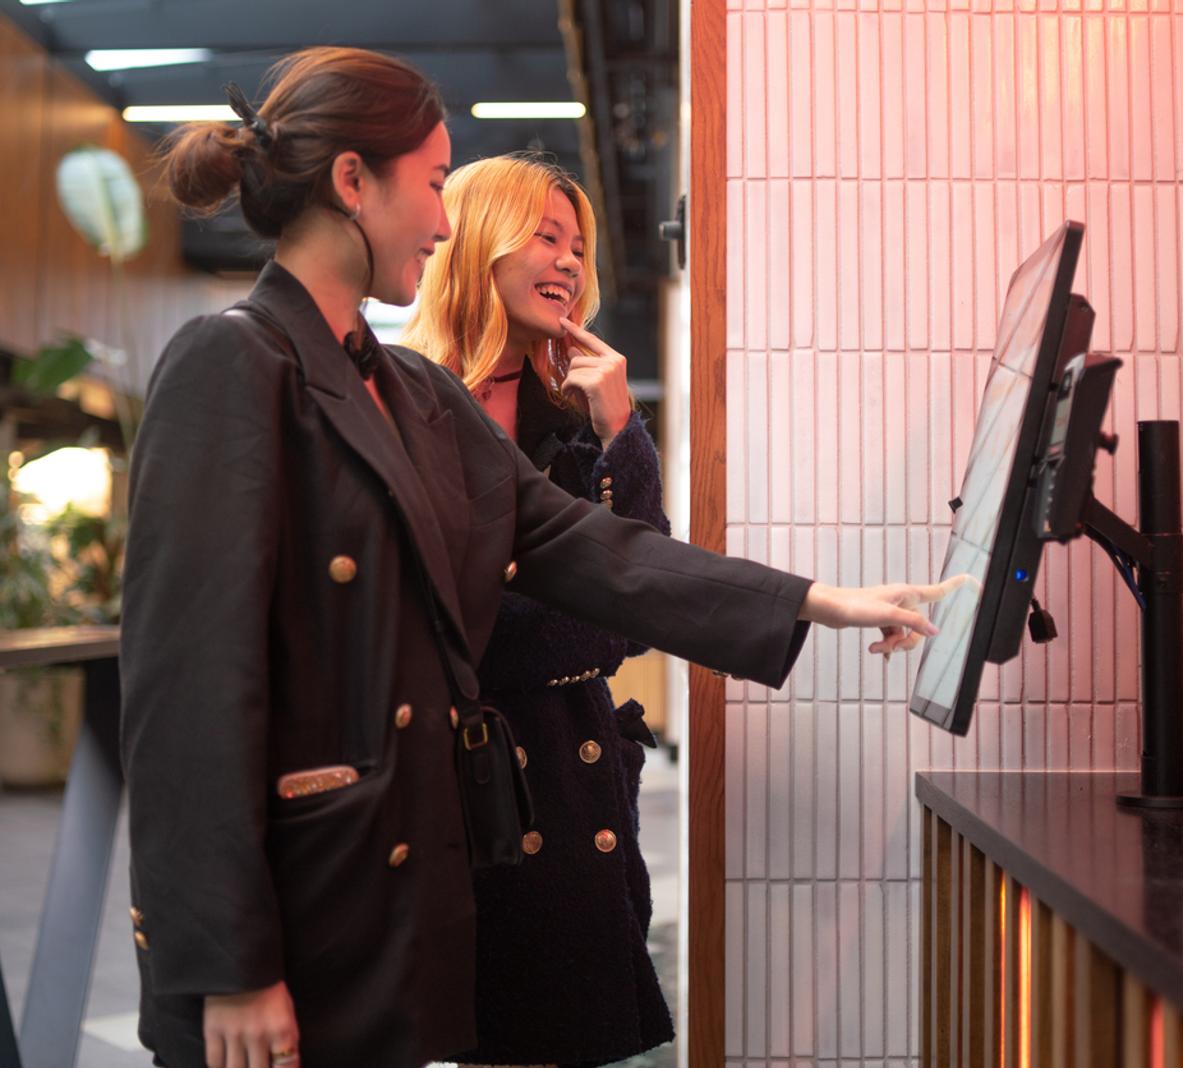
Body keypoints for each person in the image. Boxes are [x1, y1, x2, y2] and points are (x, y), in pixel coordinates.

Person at [121, 46, 941, 1068]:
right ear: (351, 184)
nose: (444, 218)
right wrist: (224, 962)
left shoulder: (417, 397)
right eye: (431, 183)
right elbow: (183, 697)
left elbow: (589, 548)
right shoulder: (233, 361)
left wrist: (822, 600)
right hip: (299, 906)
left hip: (399, 893)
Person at [400, 153, 673, 1065]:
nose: (568, 262)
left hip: (570, 782)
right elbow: (445, 630)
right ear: (475, 241)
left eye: (579, 244)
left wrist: (622, 431)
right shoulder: (399, 398)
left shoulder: (571, 409)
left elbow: (640, 600)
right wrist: (575, 634)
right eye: (544, 236)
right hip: (450, 787)